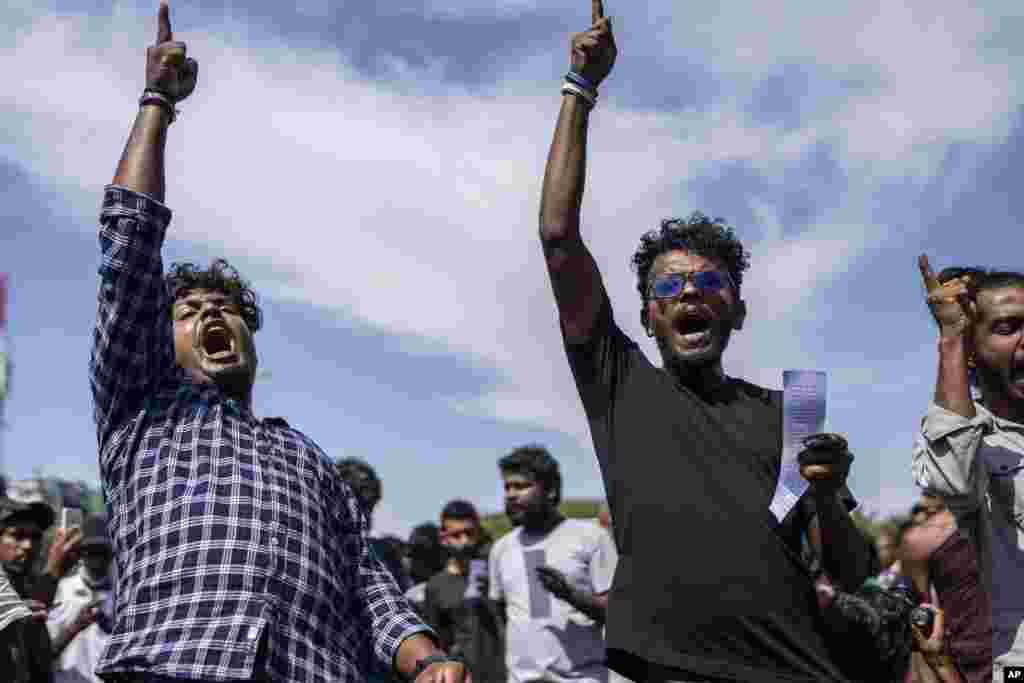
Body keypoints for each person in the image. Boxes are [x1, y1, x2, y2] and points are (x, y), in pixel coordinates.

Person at [88, 4, 465, 681]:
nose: (213, 315)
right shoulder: (141, 412)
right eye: (191, 310)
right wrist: (156, 103)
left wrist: (426, 656)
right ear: (159, 338)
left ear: (250, 338)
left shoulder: (311, 460)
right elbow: (129, 245)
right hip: (173, 667)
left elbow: (366, 581)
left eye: (227, 308)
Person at [538, 2, 877, 680]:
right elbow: (557, 236)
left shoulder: (793, 410)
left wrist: (828, 492)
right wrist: (581, 88)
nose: (688, 294)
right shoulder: (620, 386)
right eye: (668, 288)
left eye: (709, 282)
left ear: (739, 311)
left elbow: (848, 566)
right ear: (646, 317)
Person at [914, 257, 1023, 680]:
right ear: (974, 354)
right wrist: (952, 337)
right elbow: (952, 480)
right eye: (1006, 328)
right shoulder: (977, 439)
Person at [488, 446, 617, 683]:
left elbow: (618, 612)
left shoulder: (590, 537)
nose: (511, 494)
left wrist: (571, 596)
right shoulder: (501, 549)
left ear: (550, 490)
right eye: (507, 487)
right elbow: (501, 617)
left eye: (521, 486)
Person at [422, 500, 504, 683]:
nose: (465, 541)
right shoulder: (436, 587)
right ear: (444, 537)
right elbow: (435, 646)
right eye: (457, 535)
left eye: (470, 533)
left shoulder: (495, 575)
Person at [47, 515, 115, 683]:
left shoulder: (123, 598)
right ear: (81, 553)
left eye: (102, 550)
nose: (97, 558)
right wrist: (76, 626)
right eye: (91, 550)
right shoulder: (61, 590)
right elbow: (45, 651)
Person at [335, 458, 413, 592]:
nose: (365, 516)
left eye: (369, 507)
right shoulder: (313, 550)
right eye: (359, 505)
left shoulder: (384, 554)